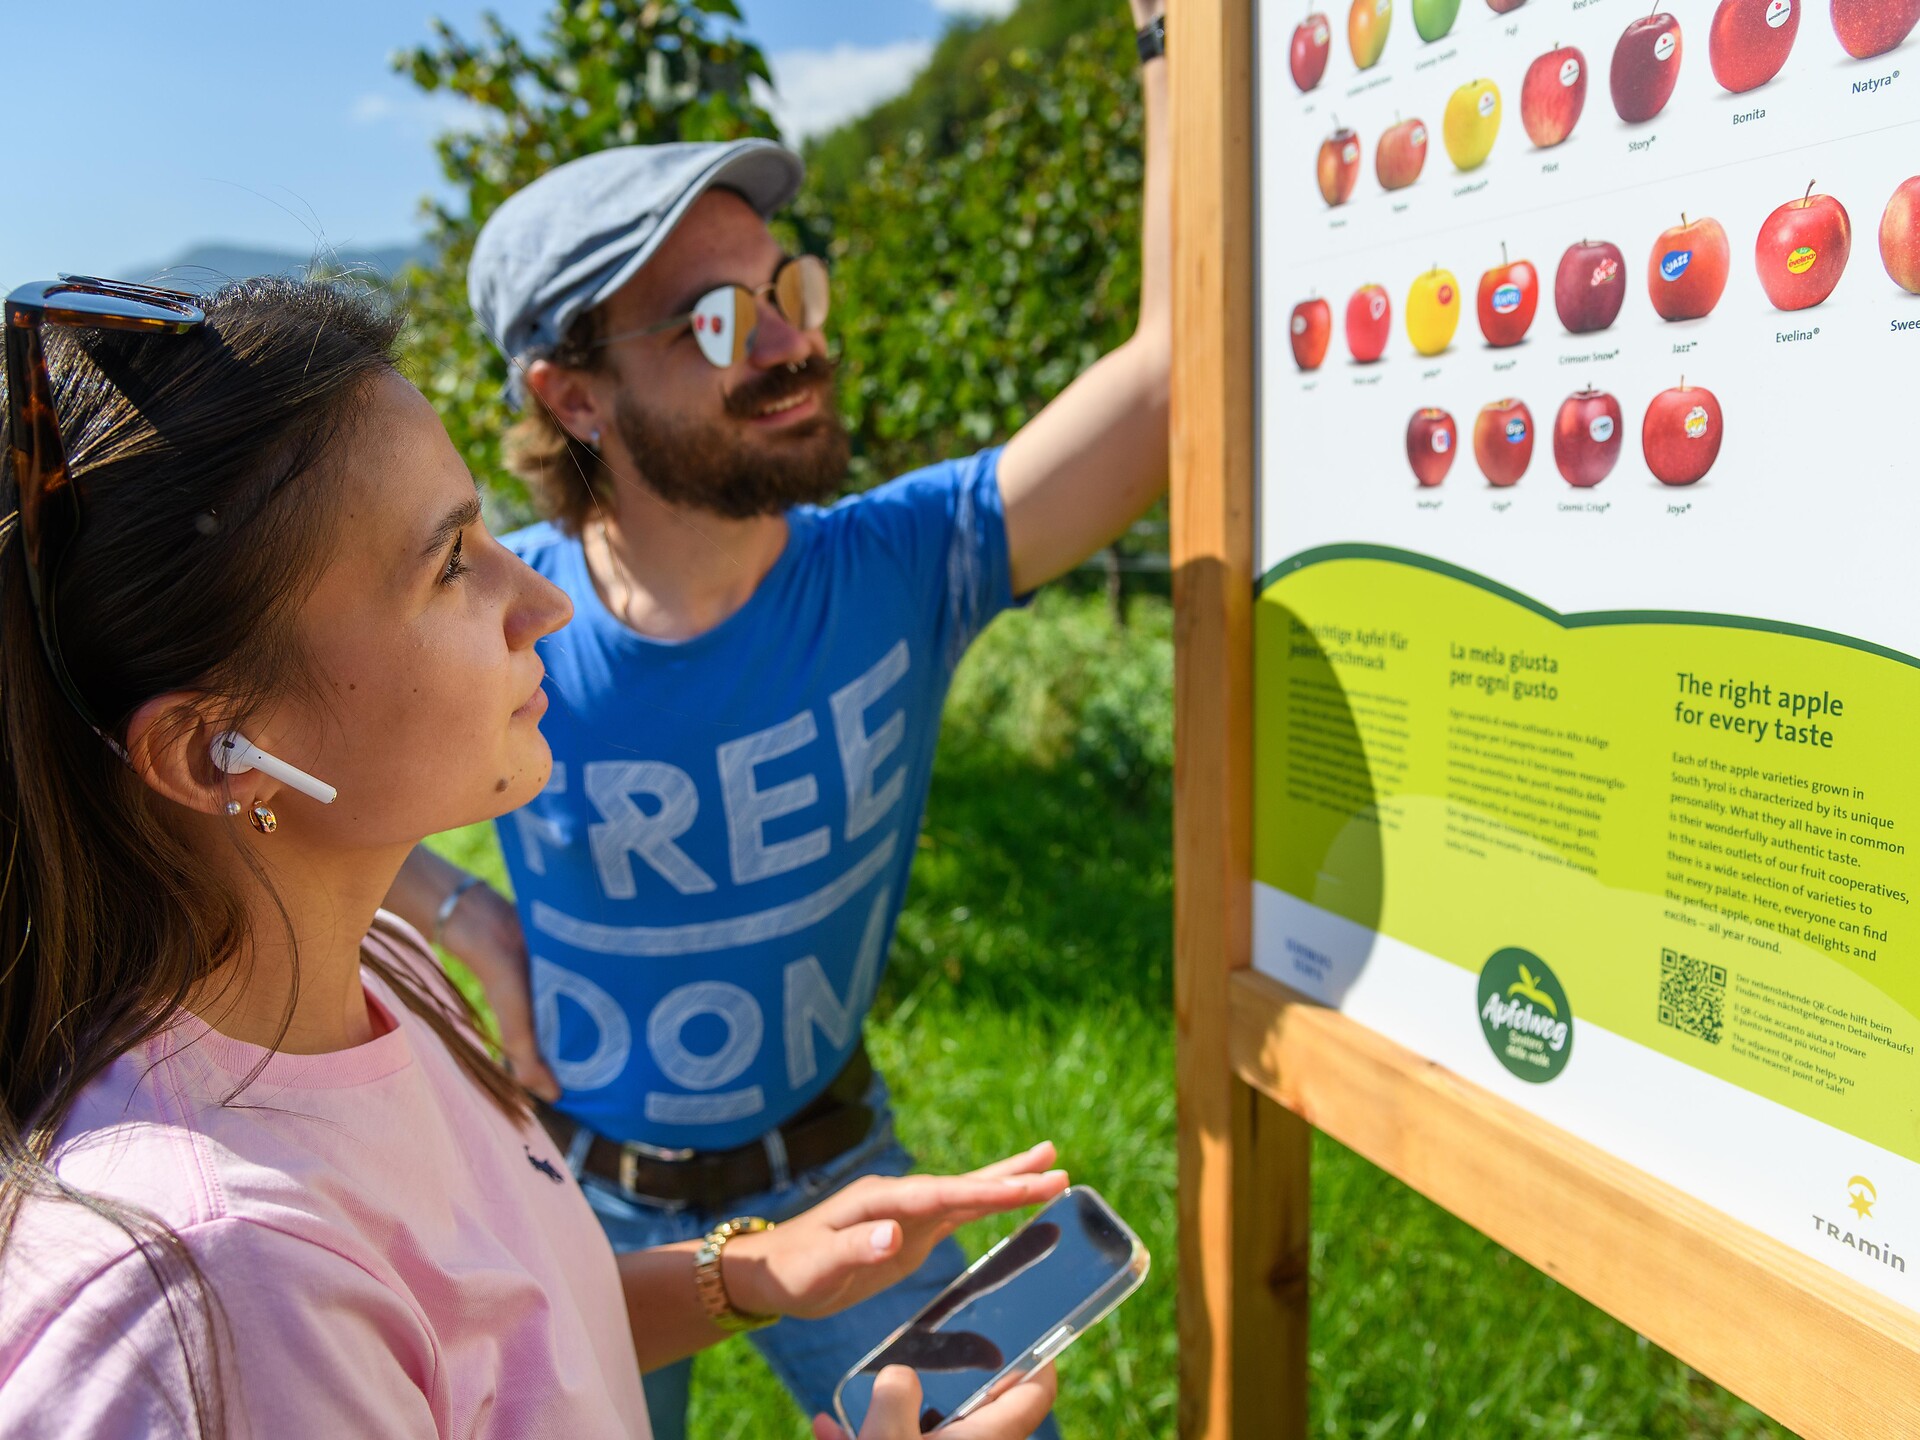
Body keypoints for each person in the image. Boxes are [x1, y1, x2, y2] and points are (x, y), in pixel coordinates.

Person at [0, 274, 1066, 1439]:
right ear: (218, 753)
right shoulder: (212, 1294)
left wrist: (742, 1273)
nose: (542, 603)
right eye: (450, 564)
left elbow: (492, 1353)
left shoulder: (382, 974)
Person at [382, 3, 1170, 1432]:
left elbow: (1168, 380)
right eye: (717, 320)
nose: (794, 342)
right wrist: (467, 917)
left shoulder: (904, 563)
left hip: (838, 1171)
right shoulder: (504, 614)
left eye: (788, 289)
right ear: (575, 397)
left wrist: (1172, 41)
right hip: (577, 1197)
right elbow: (279, 780)